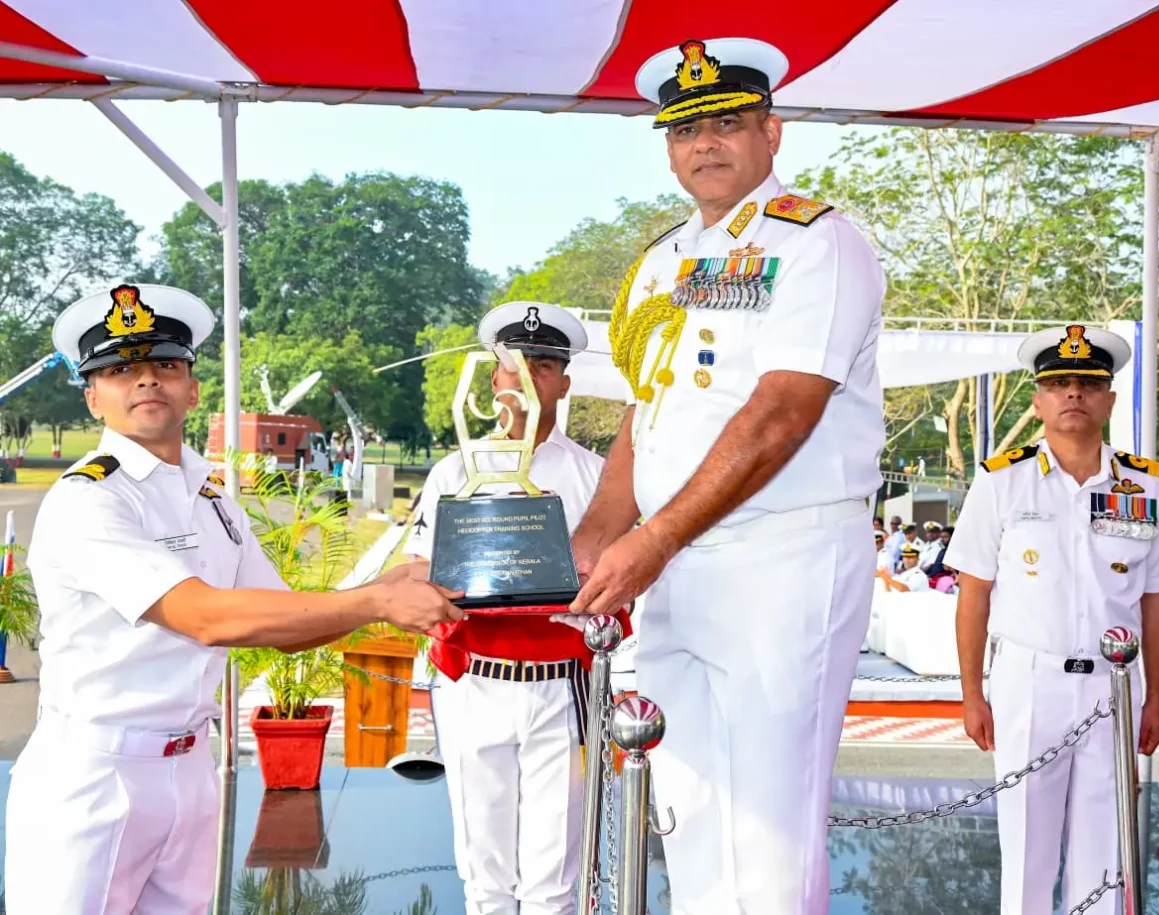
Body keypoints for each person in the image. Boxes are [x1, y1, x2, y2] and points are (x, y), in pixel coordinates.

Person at [3, 283, 462, 915]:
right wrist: (374, 605)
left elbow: (279, 618)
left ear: (192, 388)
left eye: (165, 364)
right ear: (92, 398)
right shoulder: (90, 499)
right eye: (120, 371)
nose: (146, 382)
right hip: (96, 772)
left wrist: (382, 586)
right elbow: (205, 617)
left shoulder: (215, 497)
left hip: (191, 765)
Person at [568, 37, 885, 914]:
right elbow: (649, 408)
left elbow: (784, 408)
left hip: (778, 558)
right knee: (688, 802)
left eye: (728, 125)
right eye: (684, 131)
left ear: (772, 133)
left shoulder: (818, 244)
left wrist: (653, 536)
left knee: (769, 825)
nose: (704, 145)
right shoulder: (663, 259)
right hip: (670, 565)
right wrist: (600, 530)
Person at [945, 323, 1159, 915]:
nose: (1073, 394)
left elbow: (1154, 598)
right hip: (1030, 682)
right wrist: (972, 693)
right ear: (1038, 401)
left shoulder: (1147, 487)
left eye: (1088, 383)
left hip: (1115, 687)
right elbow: (974, 592)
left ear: (1108, 399)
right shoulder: (1001, 479)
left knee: (1105, 853)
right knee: (1027, 848)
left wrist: (1154, 697)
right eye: (1058, 384)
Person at [405, 301, 631, 915]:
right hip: (473, 681)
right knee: (483, 874)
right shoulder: (454, 470)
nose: (526, 375)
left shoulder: (598, 479)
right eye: (512, 364)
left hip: (563, 688)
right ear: (493, 379)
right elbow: (416, 570)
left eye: (543, 363)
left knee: (556, 879)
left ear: (564, 381)